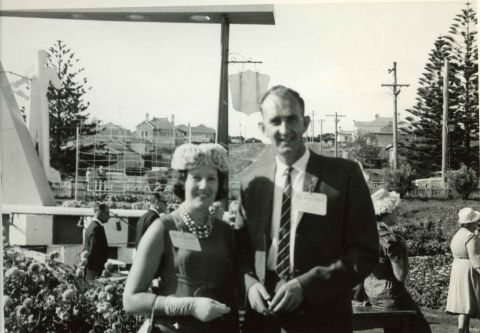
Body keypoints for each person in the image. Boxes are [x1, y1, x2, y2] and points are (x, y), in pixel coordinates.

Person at [235, 85, 379, 333]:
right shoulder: (252, 182)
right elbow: (239, 250)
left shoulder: (344, 176)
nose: (284, 129)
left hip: (323, 319)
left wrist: (306, 286)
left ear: (306, 123)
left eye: (291, 119)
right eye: (275, 121)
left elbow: (365, 252)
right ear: (263, 129)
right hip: (262, 319)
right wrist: (249, 284)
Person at [123, 143, 238, 333]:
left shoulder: (226, 232)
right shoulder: (162, 228)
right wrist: (188, 306)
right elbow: (131, 300)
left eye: (211, 178)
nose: (204, 185)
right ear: (183, 182)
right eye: (196, 177)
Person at [363, 189, 431, 333]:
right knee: (422, 328)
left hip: (372, 293)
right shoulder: (391, 239)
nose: (398, 213)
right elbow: (400, 276)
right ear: (387, 210)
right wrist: (404, 249)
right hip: (392, 295)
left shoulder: (367, 234)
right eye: (396, 210)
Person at [446, 207, 480, 333]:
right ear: (472, 223)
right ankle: (463, 329)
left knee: (463, 301)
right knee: (467, 300)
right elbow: (475, 258)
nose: (478, 223)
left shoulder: (458, 234)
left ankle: (463, 329)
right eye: (477, 221)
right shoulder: (471, 237)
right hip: (467, 269)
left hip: (458, 268)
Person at [83, 202, 110, 281]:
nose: (109, 216)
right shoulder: (97, 228)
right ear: (100, 212)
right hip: (95, 271)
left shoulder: (90, 226)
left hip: (90, 270)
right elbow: (94, 251)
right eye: (107, 213)